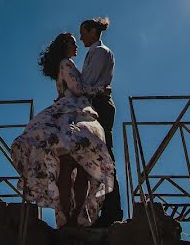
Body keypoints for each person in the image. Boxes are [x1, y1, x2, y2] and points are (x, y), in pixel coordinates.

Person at [11, 32, 115, 228]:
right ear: (66, 45)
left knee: (69, 167)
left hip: (68, 112)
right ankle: (73, 216)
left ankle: (68, 217)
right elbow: (77, 88)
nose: (77, 47)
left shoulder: (63, 64)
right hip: (74, 112)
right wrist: (100, 90)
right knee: (80, 167)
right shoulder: (66, 63)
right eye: (73, 43)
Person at [79, 17, 123, 227]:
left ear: (93, 32)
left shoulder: (100, 52)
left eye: (83, 32)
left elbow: (86, 82)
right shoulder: (95, 52)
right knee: (97, 158)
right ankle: (103, 210)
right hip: (96, 103)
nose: (81, 38)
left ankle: (112, 210)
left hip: (99, 104)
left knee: (104, 157)